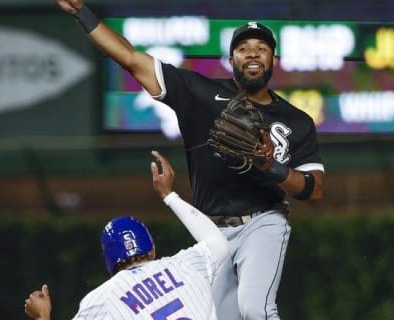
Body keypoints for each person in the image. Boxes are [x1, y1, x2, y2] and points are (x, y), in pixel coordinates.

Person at [53, 2, 326, 319]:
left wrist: (272, 167)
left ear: (273, 59)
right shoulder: (200, 94)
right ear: (230, 59)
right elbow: (130, 59)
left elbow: (315, 190)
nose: (252, 53)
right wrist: (81, 13)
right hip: (211, 233)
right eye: (243, 48)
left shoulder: (297, 121)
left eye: (261, 48)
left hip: (262, 221)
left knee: (256, 309)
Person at [25, 150, 228, 319]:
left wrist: (43, 316)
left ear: (109, 262)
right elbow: (217, 242)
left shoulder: (101, 300)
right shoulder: (185, 265)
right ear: (152, 249)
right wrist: (169, 195)